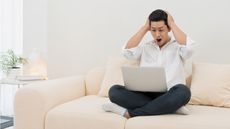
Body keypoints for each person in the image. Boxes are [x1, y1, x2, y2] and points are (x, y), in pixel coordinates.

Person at [102, 9, 195, 118]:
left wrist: (173, 24)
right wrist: (144, 28)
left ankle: (131, 113)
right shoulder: (146, 47)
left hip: (170, 93)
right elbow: (126, 52)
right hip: (145, 94)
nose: (157, 34)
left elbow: (189, 49)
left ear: (168, 28)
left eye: (161, 30)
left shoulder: (178, 47)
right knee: (114, 91)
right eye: (153, 30)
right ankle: (169, 107)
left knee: (183, 91)